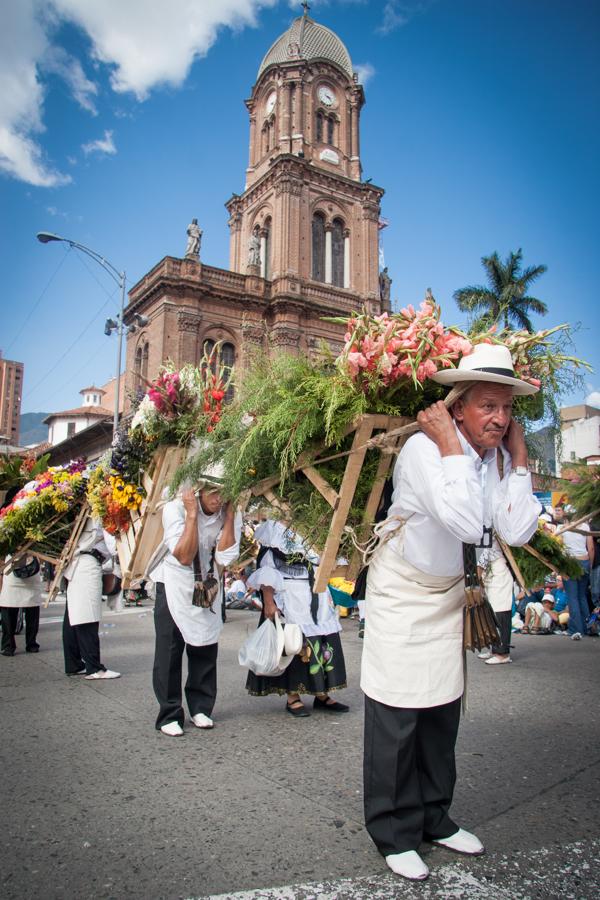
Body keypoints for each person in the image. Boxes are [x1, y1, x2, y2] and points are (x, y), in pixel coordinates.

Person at [361, 342, 541, 881]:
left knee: (442, 712)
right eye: (488, 405)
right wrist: (448, 445)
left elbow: (516, 529)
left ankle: (434, 816)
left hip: (447, 595)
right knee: (398, 713)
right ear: (456, 406)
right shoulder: (423, 449)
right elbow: (466, 523)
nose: (500, 418)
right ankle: (392, 830)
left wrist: (520, 459)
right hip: (403, 592)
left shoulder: (494, 458)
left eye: (507, 409)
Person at [149, 482, 241, 736]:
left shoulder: (228, 510)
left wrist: (231, 516)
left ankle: (201, 707)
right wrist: (191, 514)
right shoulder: (175, 509)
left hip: (207, 582)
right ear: (198, 490)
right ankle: (169, 713)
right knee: (170, 648)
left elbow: (225, 557)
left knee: (206, 644)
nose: (219, 498)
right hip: (174, 582)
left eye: (225, 492)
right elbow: (184, 556)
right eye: (213, 491)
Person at [245, 519, 349, 717]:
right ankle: (293, 697)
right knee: (294, 643)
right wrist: (269, 601)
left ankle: (322, 694)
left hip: (316, 591)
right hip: (289, 594)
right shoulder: (275, 529)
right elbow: (267, 567)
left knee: (322, 641)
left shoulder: (317, 522)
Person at [62, 518, 121, 680]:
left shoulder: (86, 512)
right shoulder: (97, 513)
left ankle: (73, 663)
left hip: (78, 562)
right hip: (87, 563)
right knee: (88, 616)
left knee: (73, 615)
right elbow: (113, 546)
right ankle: (94, 667)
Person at [0, 555, 43, 656]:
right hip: (12, 570)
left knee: (31, 610)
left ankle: (29, 643)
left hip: (30, 568)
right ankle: (9, 645)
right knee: (9, 607)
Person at [561, 511, 594, 640]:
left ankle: (575, 629)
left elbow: (560, 549)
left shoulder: (562, 529)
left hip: (569, 562)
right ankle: (587, 626)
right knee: (581, 596)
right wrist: (590, 565)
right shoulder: (585, 527)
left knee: (572, 597)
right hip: (584, 560)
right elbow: (590, 548)